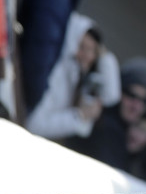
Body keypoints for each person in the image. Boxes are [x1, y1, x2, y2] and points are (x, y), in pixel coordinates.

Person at [25, 12, 120, 141]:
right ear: (71, 43)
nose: (87, 56)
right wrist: (79, 116)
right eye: (82, 47)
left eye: (92, 51)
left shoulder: (79, 76)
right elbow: (34, 124)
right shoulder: (56, 74)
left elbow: (111, 96)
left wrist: (104, 56)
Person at [67, 56, 146, 170]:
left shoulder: (130, 133)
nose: (136, 106)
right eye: (131, 95)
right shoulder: (101, 122)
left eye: (144, 101)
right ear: (119, 91)